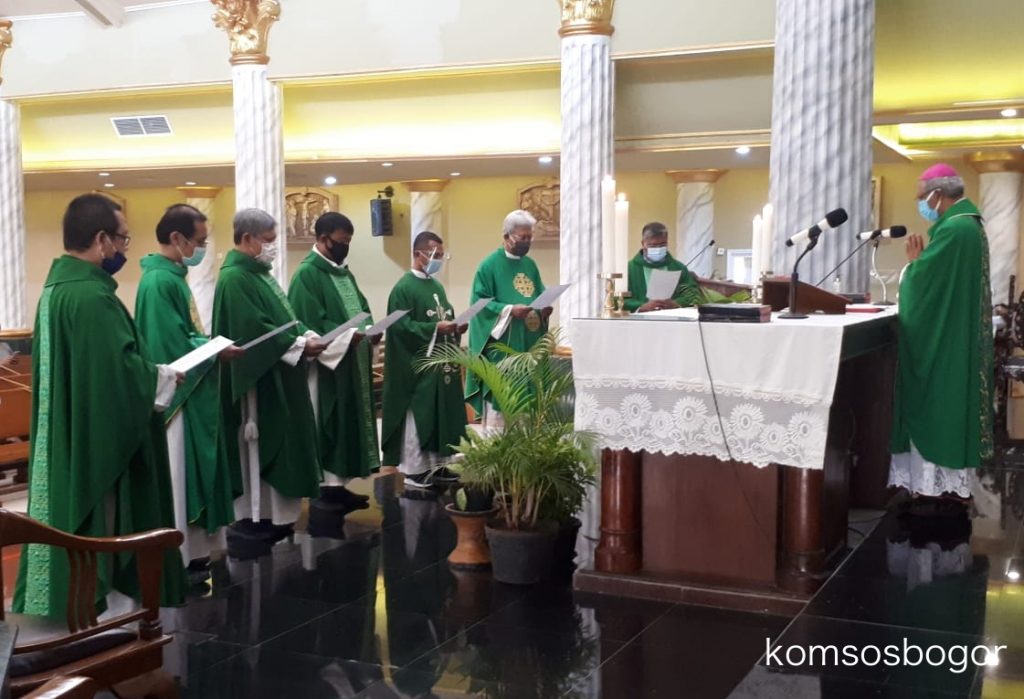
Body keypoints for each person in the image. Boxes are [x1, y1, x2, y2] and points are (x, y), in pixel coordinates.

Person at [14, 193, 186, 617]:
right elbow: (119, 376)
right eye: (123, 239)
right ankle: (111, 619)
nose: (124, 248)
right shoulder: (92, 298)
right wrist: (161, 376)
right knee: (107, 521)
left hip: (71, 432)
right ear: (101, 239)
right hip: (96, 442)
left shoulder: (58, 289)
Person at [135, 204, 243, 568]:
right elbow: (168, 344)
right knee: (180, 476)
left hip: (191, 387)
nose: (202, 249)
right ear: (176, 237)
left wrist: (208, 346)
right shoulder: (159, 281)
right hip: (178, 397)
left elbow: (185, 334)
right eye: (199, 241)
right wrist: (213, 351)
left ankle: (194, 552)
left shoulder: (172, 276)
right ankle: (180, 555)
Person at [213, 208, 326, 545]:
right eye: (268, 240)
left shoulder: (259, 274)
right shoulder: (235, 278)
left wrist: (305, 334)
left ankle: (278, 516)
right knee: (261, 446)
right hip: (261, 385)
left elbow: (285, 320)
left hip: (282, 375)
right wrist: (298, 345)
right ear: (247, 238)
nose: (273, 248)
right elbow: (252, 329)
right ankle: (258, 515)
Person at [889, 163, 993, 508]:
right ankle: (944, 484)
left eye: (922, 197)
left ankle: (932, 484)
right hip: (955, 330)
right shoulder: (967, 225)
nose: (921, 203)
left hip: (946, 340)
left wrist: (914, 265)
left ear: (938, 194)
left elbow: (924, 285)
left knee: (937, 402)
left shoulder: (954, 230)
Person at [288, 212, 379, 507]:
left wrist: (371, 329)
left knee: (347, 422)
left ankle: (339, 485)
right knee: (330, 420)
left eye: (349, 241)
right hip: (328, 368)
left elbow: (362, 309)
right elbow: (307, 321)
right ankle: (327, 488)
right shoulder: (307, 275)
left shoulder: (343, 273)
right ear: (324, 239)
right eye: (342, 241)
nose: (345, 246)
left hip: (352, 361)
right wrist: (347, 336)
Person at [381, 231, 468, 488]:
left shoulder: (437, 287)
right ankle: (415, 470)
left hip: (440, 364)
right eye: (434, 255)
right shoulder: (403, 288)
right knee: (419, 417)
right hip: (417, 368)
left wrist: (455, 328)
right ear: (418, 254)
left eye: (441, 255)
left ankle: (439, 465)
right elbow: (400, 327)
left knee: (441, 416)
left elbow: (444, 316)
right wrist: (434, 329)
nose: (437, 259)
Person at [466, 210, 552, 420]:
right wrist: (509, 310)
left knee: (528, 411)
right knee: (503, 408)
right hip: (504, 349)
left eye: (530, 237)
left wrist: (544, 310)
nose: (527, 242)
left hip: (529, 345)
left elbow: (539, 294)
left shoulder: (530, 265)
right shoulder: (489, 266)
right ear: (507, 236)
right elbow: (479, 304)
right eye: (523, 237)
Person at [625, 222, 704, 312]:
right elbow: (619, 299)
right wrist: (641, 306)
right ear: (643, 243)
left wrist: (675, 303)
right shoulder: (629, 269)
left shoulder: (678, 267)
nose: (658, 248)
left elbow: (692, 295)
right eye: (653, 245)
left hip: (672, 318)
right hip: (639, 318)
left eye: (662, 244)